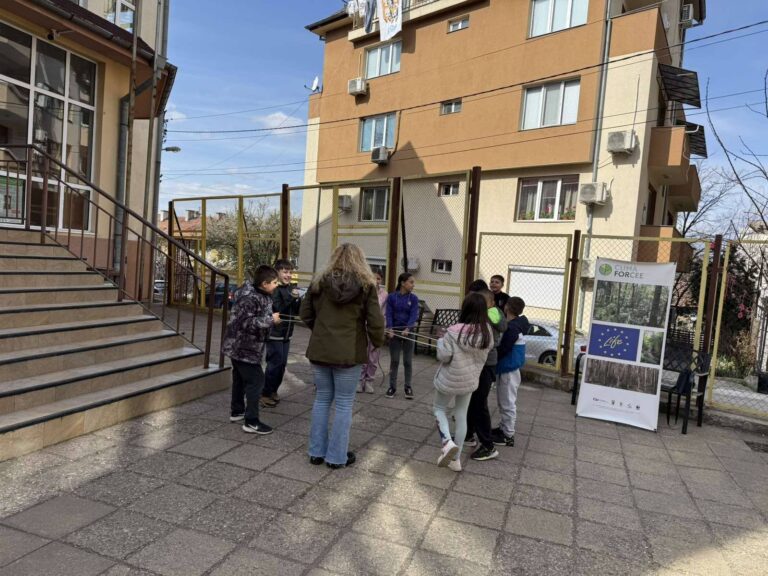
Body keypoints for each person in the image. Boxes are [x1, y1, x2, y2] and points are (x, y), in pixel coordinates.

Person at [300, 243, 385, 469]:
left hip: (320, 350)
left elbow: (305, 313)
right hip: (349, 352)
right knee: (344, 404)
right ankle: (336, 457)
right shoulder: (367, 285)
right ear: (360, 260)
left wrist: (320, 332)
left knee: (321, 400)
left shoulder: (318, 282)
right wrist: (377, 342)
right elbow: (376, 321)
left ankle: (316, 452)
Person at [433, 292, 493, 472]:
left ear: (465, 308)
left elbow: (444, 356)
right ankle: (456, 460)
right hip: (470, 380)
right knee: (461, 414)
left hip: (449, 378)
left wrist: (441, 341)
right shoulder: (487, 331)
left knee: (438, 409)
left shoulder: (452, 332)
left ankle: (446, 442)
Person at [222, 265, 282, 435]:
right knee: (256, 381)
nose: (277, 285)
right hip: (243, 347)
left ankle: (237, 411)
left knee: (240, 378)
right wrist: (271, 320)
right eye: (274, 282)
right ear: (264, 283)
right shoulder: (250, 297)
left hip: (241, 346)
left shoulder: (259, 293)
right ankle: (251, 421)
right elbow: (246, 323)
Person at [466, 287, 507, 461]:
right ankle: (468, 435)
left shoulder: (491, 315)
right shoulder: (490, 313)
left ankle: (488, 446)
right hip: (481, 363)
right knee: (472, 401)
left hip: (486, 364)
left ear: (490, 303)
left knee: (479, 403)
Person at [261, 259, 302, 408]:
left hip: (287, 334)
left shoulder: (291, 288)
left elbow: (296, 312)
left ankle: (273, 391)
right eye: (285, 272)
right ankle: (265, 393)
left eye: (290, 272)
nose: (288, 275)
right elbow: (278, 309)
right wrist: (292, 298)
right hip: (275, 333)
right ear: (277, 272)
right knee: (274, 364)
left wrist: (298, 300)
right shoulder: (275, 289)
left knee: (282, 365)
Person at [492, 297, 529, 447]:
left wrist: (491, 356)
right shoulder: (516, 325)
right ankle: (503, 428)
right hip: (508, 369)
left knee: (507, 403)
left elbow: (504, 349)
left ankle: (508, 435)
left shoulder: (512, 328)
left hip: (509, 370)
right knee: (504, 401)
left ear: (506, 307)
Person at [385, 273, 420, 399]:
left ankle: (408, 387)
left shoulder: (414, 299)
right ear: (402, 283)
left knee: (407, 361)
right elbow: (388, 314)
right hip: (394, 332)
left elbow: (413, 315)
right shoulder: (391, 297)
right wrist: (390, 328)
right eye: (411, 282)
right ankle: (392, 387)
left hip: (408, 332)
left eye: (413, 282)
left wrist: (408, 328)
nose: (413, 285)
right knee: (394, 360)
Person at [358, 271, 388, 393]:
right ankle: (359, 380)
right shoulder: (363, 292)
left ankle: (370, 381)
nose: (376, 281)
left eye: (379, 278)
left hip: (377, 329)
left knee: (374, 356)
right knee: (363, 354)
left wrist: (383, 328)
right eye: (373, 278)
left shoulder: (384, 295)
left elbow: (384, 313)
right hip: (363, 328)